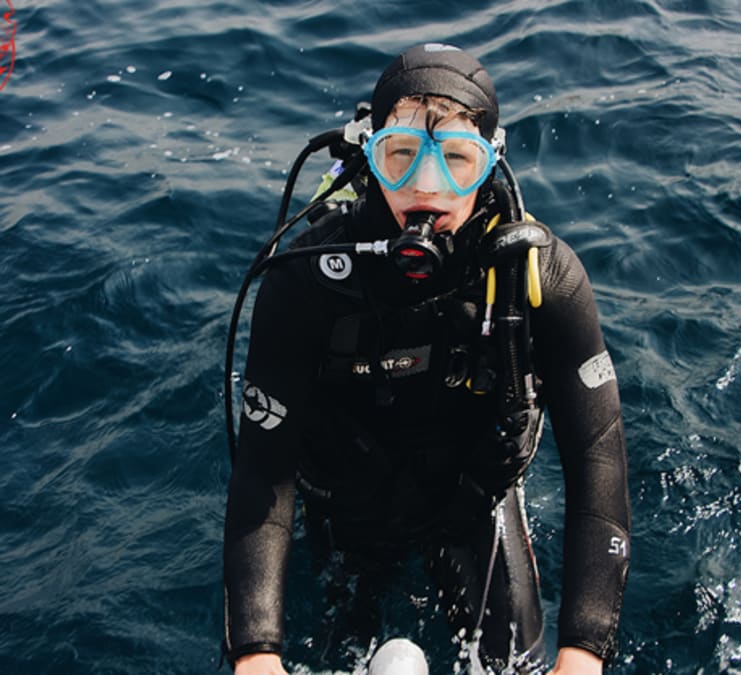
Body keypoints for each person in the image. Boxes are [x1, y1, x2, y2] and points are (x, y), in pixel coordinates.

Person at [222, 43, 631, 674]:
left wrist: (584, 653)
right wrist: (255, 653)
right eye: (402, 155)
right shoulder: (307, 279)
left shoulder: (541, 274)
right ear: (371, 158)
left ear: (489, 164)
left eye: (458, 160)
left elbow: (599, 453)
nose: (427, 185)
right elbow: (261, 472)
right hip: (346, 507)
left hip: (473, 498)